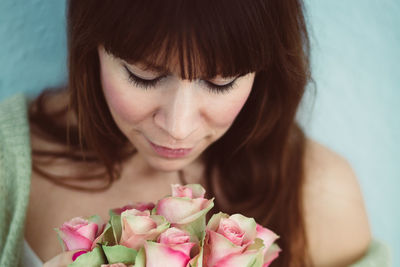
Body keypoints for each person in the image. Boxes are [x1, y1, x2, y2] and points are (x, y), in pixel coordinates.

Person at [0, 0, 390, 266]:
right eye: (144, 75)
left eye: (220, 83)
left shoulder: (322, 196)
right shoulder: (8, 160)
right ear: (92, 46)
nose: (178, 127)